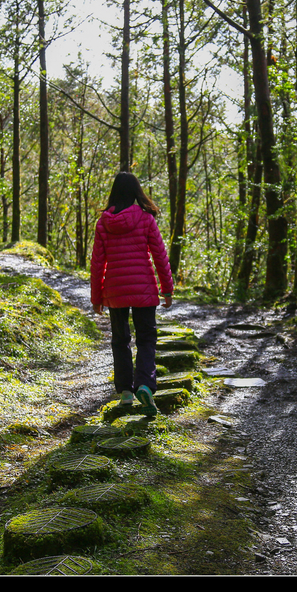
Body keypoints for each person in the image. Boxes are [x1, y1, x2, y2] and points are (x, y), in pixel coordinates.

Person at [90, 172, 174, 417]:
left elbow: (97, 263)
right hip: (144, 289)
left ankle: (126, 392)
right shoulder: (146, 219)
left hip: (115, 290)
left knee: (120, 340)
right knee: (146, 338)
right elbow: (160, 255)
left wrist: (97, 297)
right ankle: (145, 384)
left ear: (114, 193)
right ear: (137, 191)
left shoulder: (103, 222)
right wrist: (166, 289)